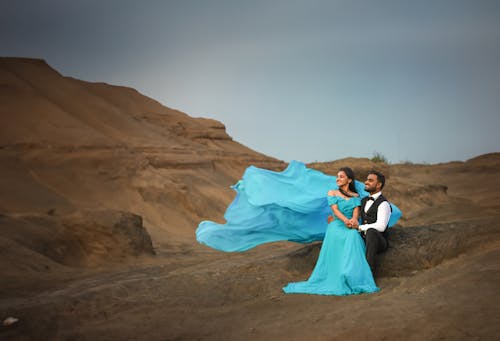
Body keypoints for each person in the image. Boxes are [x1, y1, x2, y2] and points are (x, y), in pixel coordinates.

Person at [282, 167, 379, 295]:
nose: (338, 179)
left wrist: (354, 221)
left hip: (350, 225)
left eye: (341, 176)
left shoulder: (355, 196)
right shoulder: (332, 193)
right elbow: (335, 211)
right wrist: (346, 221)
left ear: (349, 180)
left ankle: (350, 275)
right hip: (337, 225)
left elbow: (356, 213)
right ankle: (338, 276)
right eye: (337, 176)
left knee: (353, 236)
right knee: (346, 235)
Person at [349, 170, 392, 276]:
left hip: (378, 240)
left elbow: (381, 226)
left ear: (378, 185)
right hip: (363, 237)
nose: (366, 182)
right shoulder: (363, 200)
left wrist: (360, 227)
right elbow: (356, 216)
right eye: (366, 180)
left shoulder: (384, 204)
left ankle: (368, 274)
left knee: (371, 232)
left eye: (370, 180)